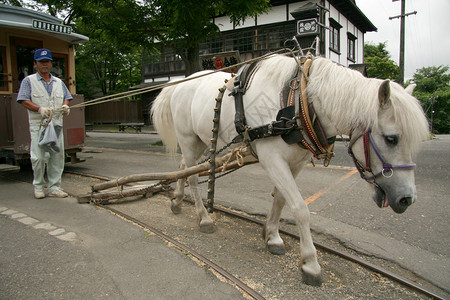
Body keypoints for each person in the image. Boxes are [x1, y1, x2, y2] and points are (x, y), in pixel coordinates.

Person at [17, 48, 72, 199]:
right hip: (39, 125)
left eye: (47, 62)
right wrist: (39, 109)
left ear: (51, 63)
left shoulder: (58, 82)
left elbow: (67, 97)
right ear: (35, 64)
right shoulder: (29, 81)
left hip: (56, 124)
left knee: (57, 156)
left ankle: (54, 187)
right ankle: (39, 186)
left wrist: (66, 106)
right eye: (41, 62)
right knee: (39, 157)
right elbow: (23, 100)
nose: (44, 65)